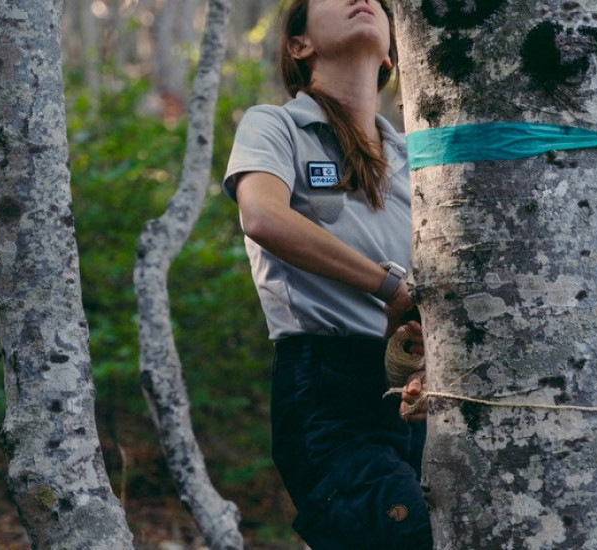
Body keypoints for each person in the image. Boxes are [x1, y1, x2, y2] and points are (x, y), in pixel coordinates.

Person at [222, 0, 431, 548]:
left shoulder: (415, 156)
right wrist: (387, 285)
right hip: (326, 391)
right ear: (299, 45)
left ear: (392, 50)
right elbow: (263, 216)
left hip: (416, 393)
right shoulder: (276, 125)